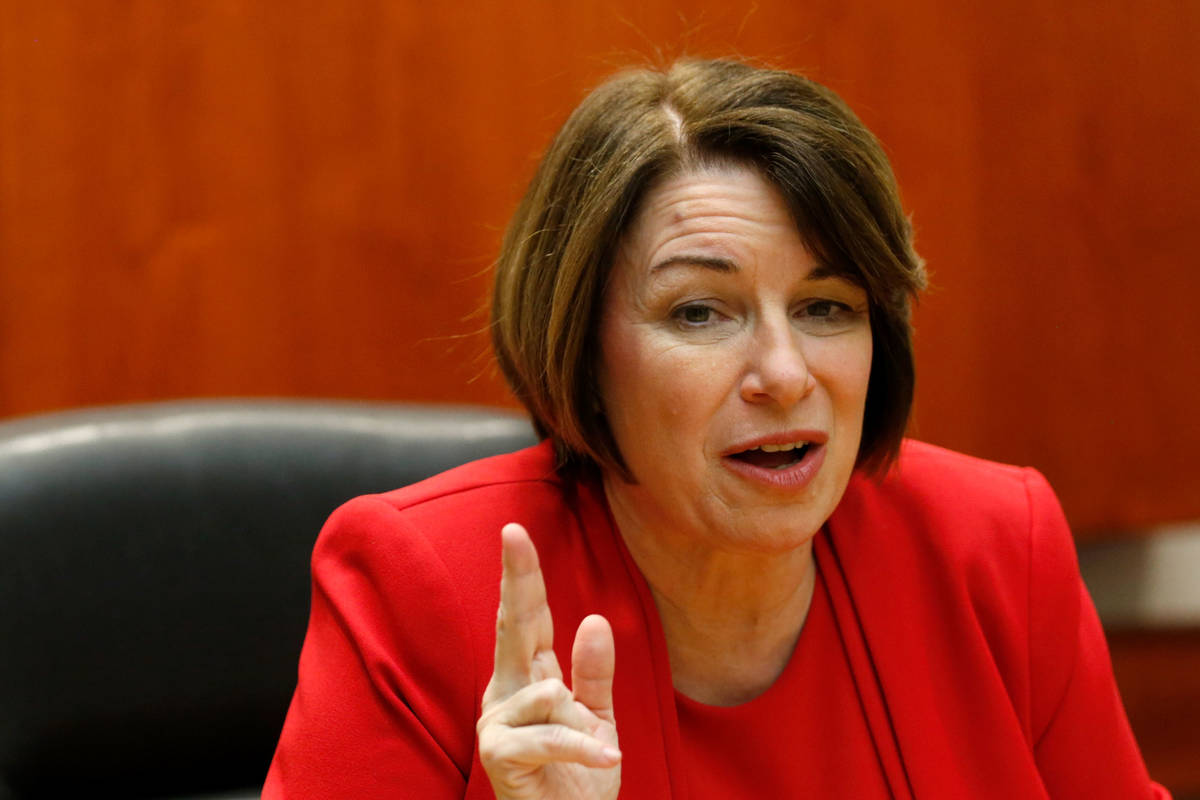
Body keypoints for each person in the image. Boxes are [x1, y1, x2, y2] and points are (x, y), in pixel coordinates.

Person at [263, 58, 1169, 799]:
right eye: (701, 313)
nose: (784, 373)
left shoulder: (996, 549)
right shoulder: (423, 589)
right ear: (582, 350)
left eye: (824, 307)